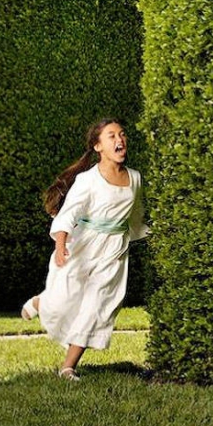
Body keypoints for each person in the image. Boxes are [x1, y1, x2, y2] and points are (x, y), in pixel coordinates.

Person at [21, 118, 148, 381]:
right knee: (61, 301)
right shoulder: (87, 179)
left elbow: (135, 218)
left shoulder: (135, 178)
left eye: (122, 134)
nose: (119, 140)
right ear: (97, 146)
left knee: (97, 307)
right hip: (82, 246)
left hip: (114, 252)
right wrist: (60, 245)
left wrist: (152, 232)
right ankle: (42, 302)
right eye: (111, 136)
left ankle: (68, 366)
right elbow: (69, 213)